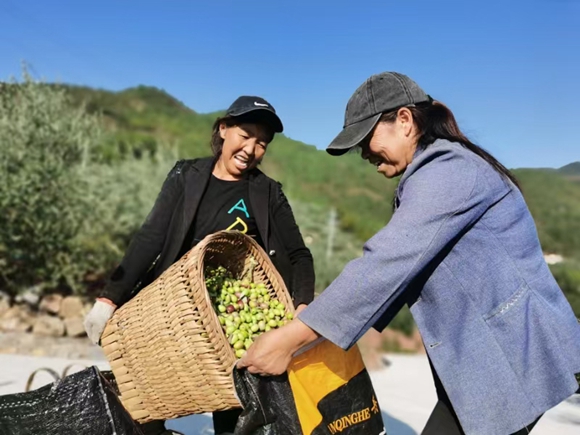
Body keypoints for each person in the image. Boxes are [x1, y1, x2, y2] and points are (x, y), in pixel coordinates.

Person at [237, 72, 580, 435]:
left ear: (404, 120)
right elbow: (396, 275)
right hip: (486, 360)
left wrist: (290, 339)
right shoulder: (434, 173)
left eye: (366, 139)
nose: (364, 153)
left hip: (512, 355)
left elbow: (387, 264)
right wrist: (318, 329)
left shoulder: (449, 170)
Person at [84, 96, 315, 435]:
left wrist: (302, 306)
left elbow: (299, 255)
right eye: (244, 134)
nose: (250, 149)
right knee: (146, 403)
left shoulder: (267, 193)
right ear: (223, 129)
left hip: (228, 322)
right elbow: (151, 237)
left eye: (261, 143)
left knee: (234, 410)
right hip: (170, 312)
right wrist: (109, 298)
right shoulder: (186, 176)